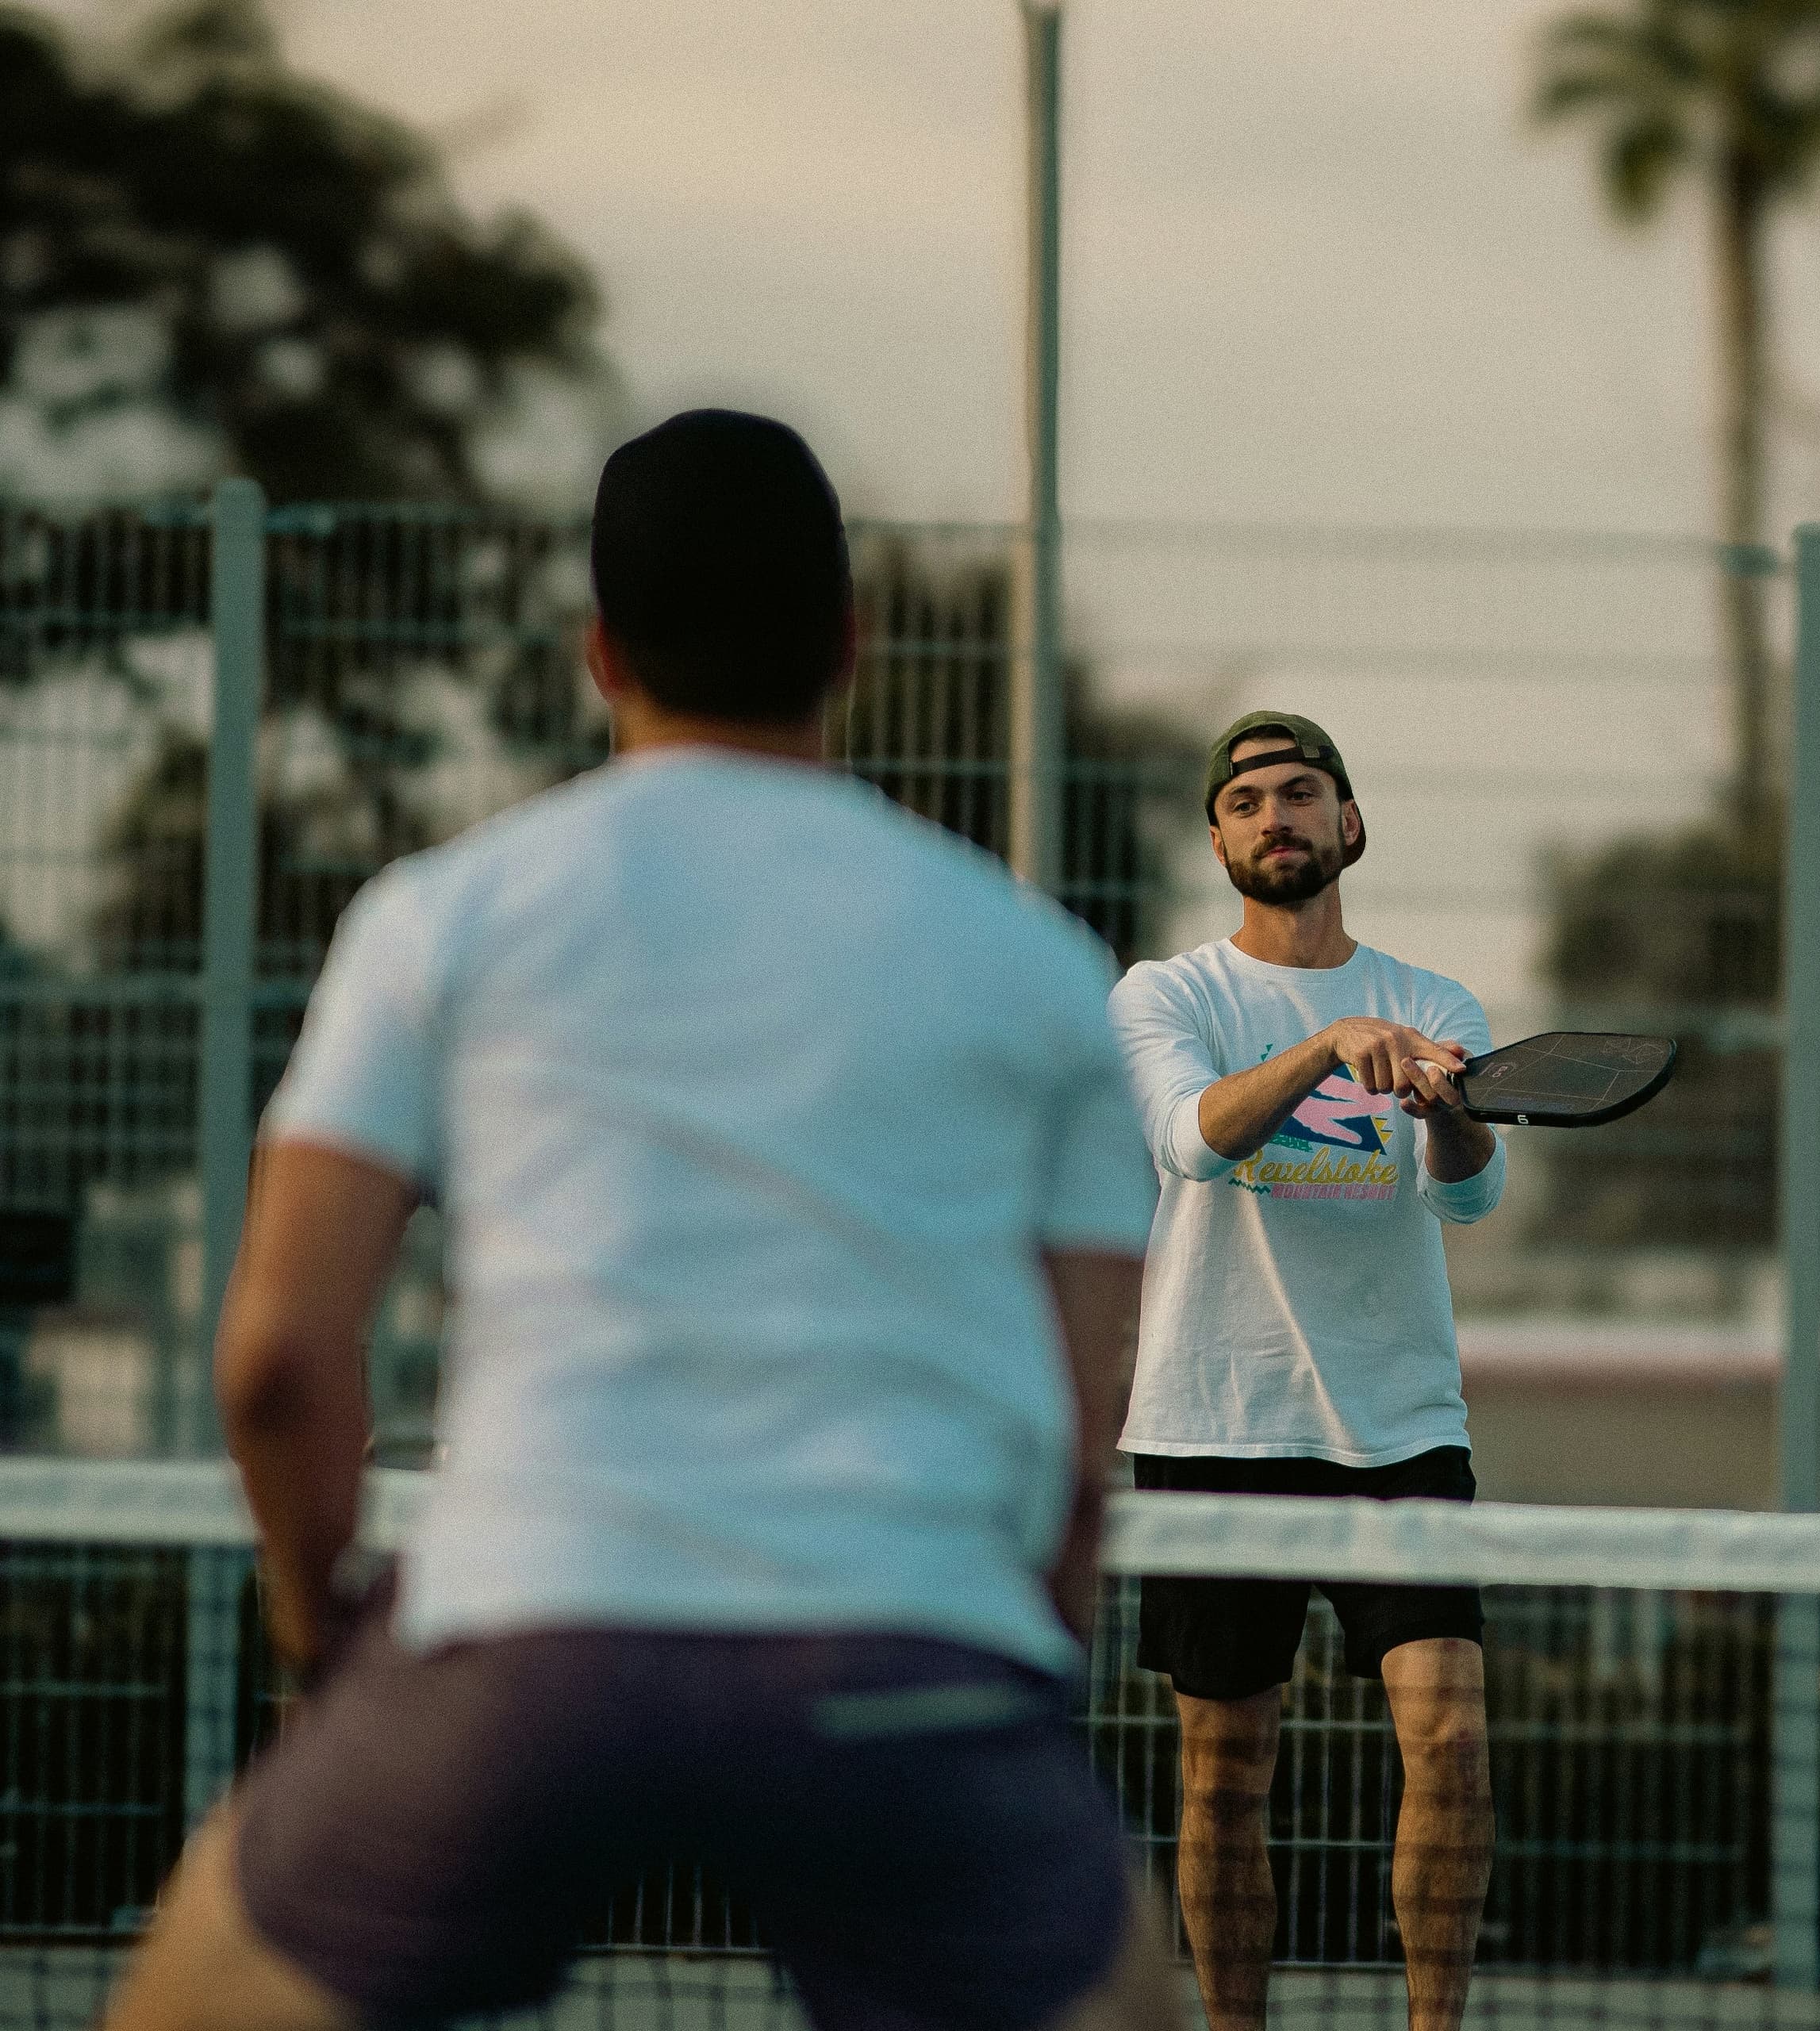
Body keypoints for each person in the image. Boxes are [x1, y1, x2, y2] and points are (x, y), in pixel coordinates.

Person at [105, 411, 1177, 2031]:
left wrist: (333, 1632)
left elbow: (276, 1358)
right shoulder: (1042, 968)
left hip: (523, 1639)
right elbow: (1085, 1437)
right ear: (850, 647)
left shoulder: (441, 915)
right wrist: (1003, 1679)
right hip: (906, 1658)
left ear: (599, 649)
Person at [1109, 711, 1504, 2031]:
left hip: (1399, 1428)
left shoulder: (1439, 1006)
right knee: (1225, 1772)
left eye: (1301, 794)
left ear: (1350, 826)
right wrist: (1331, 1045)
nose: (1274, 817)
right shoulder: (1169, 996)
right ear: (1220, 839)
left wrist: (1450, 1121)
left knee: (1449, 1737)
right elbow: (1191, 1141)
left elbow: (1464, 1202)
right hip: (1215, 1426)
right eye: (1246, 802)